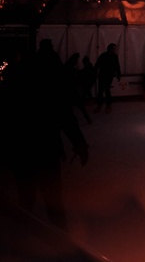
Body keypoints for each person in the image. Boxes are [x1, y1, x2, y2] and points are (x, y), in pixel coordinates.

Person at [6, 40, 89, 230]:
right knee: (52, 197)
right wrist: (79, 143)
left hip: (24, 149)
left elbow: (8, 116)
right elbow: (66, 118)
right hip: (45, 149)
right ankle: (58, 234)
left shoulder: (21, 79)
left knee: (26, 195)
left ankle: (24, 232)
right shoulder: (52, 82)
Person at [94, 43, 121, 114]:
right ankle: (99, 105)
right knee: (100, 90)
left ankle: (108, 105)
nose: (115, 50)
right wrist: (95, 71)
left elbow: (117, 65)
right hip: (102, 75)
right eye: (114, 48)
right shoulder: (103, 55)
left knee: (107, 89)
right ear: (110, 49)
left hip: (109, 76)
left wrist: (119, 74)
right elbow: (98, 64)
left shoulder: (115, 56)